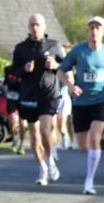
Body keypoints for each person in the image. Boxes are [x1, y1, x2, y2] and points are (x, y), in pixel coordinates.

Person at [58, 16, 104, 195]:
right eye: (91, 28)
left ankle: (89, 181)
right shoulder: (78, 51)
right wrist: (70, 86)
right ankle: (93, 152)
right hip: (80, 101)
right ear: (88, 31)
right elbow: (61, 71)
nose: (94, 31)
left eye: (97, 28)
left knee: (94, 138)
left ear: (103, 31)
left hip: (101, 99)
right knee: (83, 146)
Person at [12, 14, 65, 185]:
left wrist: (55, 65)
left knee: (45, 130)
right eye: (32, 25)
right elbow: (13, 71)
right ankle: (42, 168)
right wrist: (24, 69)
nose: (35, 28)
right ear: (28, 27)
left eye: (38, 25)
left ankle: (50, 161)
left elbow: (66, 67)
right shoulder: (21, 48)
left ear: (44, 26)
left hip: (49, 94)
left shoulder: (54, 45)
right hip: (29, 95)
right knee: (34, 135)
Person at [3, 63, 26, 154]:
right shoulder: (8, 69)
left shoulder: (25, 69)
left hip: (22, 98)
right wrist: (3, 87)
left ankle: (22, 144)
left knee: (22, 122)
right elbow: (5, 82)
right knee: (12, 121)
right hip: (11, 98)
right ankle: (15, 139)